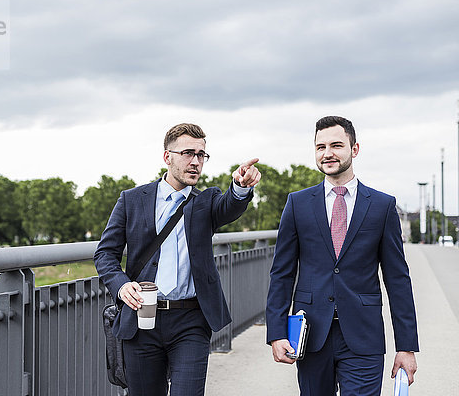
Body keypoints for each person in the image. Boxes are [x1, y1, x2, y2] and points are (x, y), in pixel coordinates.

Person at [94, 123, 261, 396]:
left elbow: (229, 205)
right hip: (141, 320)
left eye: (201, 155)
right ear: (167, 156)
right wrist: (122, 286)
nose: (195, 161)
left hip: (191, 321)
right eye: (187, 153)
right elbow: (105, 254)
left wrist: (240, 187)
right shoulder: (132, 200)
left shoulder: (207, 202)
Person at [266, 116, 419, 395]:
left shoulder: (382, 206)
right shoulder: (297, 204)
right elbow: (282, 273)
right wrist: (276, 333)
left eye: (336, 145)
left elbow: (398, 279)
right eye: (320, 147)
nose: (327, 153)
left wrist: (406, 347)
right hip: (311, 336)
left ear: (355, 149)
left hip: (364, 336)